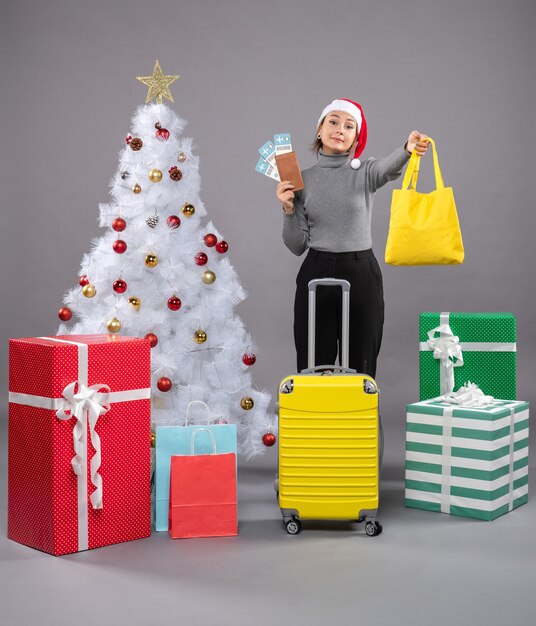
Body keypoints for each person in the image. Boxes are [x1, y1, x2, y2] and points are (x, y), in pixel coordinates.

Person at [277, 98, 430, 377]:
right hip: (316, 270)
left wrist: (407, 150)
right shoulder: (300, 179)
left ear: (355, 139)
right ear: (320, 129)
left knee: (362, 357)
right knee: (313, 359)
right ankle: (315, 417)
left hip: (361, 271)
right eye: (333, 122)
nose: (340, 130)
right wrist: (288, 209)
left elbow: (388, 168)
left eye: (349, 126)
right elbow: (296, 245)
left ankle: (357, 416)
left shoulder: (365, 172)